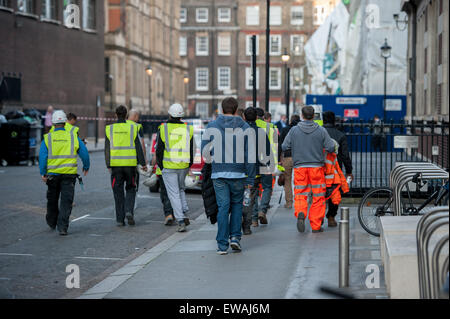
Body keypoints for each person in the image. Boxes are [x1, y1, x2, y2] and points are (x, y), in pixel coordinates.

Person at [202, 97, 255, 254]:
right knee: (237, 205)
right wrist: (251, 178)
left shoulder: (212, 126)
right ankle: (235, 238)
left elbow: (205, 153)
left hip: (219, 174)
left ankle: (222, 245)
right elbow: (250, 155)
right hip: (238, 173)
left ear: (221, 108)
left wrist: (215, 161)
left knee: (223, 207)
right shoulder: (245, 128)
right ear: (236, 109)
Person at [282, 105, 336, 233]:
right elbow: (330, 148)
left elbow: (284, 146)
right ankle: (316, 226)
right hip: (317, 167)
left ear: (301, 115)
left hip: (300, 167)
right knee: (318, 197)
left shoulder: (294, 130)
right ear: (313, 116)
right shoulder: (321, 130)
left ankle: (301, 212)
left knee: (300, 194)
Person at [39, 110, 90, 235]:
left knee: (52, 199)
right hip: (69, 175)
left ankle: (51, 221)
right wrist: (86, 166)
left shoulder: (48, 138)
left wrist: (43, 172)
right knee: (66, 201)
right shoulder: (73, 137)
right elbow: (84, 152)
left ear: (53, 123)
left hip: (52, 175)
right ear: (64, 122)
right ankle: (62, 227)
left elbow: (42, 157)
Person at [105, 105, 147, 227]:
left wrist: (108, 164)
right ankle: (129, 211)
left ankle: (119, 219)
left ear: (115, 115)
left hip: (116, 166)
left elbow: (107, 149)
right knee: (131, 188)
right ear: (126, 114)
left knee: (117, 192)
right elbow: (138, 147)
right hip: (130, 165)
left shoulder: (110, 129)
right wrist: (143, 164)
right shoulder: (132, 128)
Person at [156, 103, 194, 232]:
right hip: (183, 165)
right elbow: (191, 149)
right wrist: (189, 165)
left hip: (168, 166)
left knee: (174, 194)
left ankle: (181, 219)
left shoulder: (163, 128)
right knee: (181, 189)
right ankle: (184, 211)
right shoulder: (188, 129)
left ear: (169, 114)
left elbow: (159, 150)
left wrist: (160, 166)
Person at [242, 107, 270, 235]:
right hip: (261, 166)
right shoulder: (261, 132)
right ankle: (260, 212)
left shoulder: (240, 132)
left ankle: (253, 220)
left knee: (250, 195)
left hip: (246, 169)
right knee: (258, 192)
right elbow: (267, 152)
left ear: (244, 117)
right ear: (257, 118)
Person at [323, 111, 353, 227]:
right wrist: (349, 171)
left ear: (323, 120)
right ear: (334, 120)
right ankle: (331, 217)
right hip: (335, 170)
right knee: (335, 195)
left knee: (318, 193)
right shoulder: (340, 135)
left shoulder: (317, 133)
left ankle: (318, 217)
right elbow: (345, 156)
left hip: (319, 169)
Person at [253, 108, 278, 226]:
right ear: (263, 116)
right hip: (267, 162)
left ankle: (253, 219)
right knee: (267, 187)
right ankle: (262, 210)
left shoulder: (248, 127)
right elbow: (276, 147)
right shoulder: (271, 127)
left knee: (253, 190)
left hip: (252, 163)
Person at [278, 114, 301, 209]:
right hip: (299, 157)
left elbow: (280, 145)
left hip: (287, 157)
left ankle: (289, 202)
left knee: (287, 180)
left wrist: (279, 159)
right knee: (300, 180)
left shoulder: (285, 130)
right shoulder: (301, 130)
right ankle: (300, 201)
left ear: (290, 120)